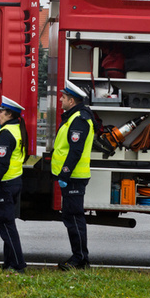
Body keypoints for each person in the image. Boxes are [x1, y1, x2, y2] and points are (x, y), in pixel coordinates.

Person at [51, 80, 95, 270]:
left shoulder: (79, 119)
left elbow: (75, 151)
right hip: (72, 177)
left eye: (63, 97)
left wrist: (65, 174)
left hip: (74, 177)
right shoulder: (74, 117)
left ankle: (80, 260)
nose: (60, 100)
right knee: (71, 217)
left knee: (74, 218)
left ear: (71, 100)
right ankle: (79, 258)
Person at [0, 96, 28, 273]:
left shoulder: (6, 133)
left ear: (9, 114)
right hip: (14, 181)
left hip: (5, 184)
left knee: (6, 225)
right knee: (7, 223)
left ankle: (18, 264)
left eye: (1, 112)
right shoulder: (16, 129)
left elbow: (2, 163)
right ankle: (8, 263)